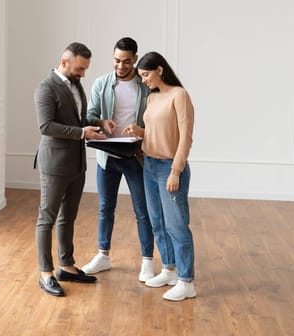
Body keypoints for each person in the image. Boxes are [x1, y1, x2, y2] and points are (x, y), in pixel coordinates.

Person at [81, 37, 157, 282]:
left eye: (126, 61)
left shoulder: (146, 87)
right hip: (107, 156)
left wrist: (145, 138)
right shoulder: (102, 84)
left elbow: (157, 121)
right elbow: (90, 114)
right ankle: (103, 255)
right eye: (116, 60)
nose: (121, 66)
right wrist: (101, 122)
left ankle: (147, 261)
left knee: (142, 210)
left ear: (135, 59)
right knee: (105, 208)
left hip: (135, 156)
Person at [34, 42, 106, 296]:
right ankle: (46, 273)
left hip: (76, 163)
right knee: (47, 218)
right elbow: (46, 126)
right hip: (54, 164)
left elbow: (77, 120)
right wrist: (81, 133)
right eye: (79, 68)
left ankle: (66, 266)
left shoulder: (76, 85)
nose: (83, 74)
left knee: (68, 217)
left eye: (85, 69)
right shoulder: (46, 88)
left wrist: (97, 123)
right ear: (64, 62)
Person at [124, 51, 196, 301]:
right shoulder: (153, 98)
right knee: (157, 222)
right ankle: (169, 269)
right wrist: (140, 132)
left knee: (176, 225)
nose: (143, 80)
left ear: (160, 70)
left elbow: (185, 138)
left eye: (146, 74)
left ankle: (187, 281)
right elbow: (157, 132)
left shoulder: (180, 95)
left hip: (169, 167)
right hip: (149, 165)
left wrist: (176, 171)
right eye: (141, 76)